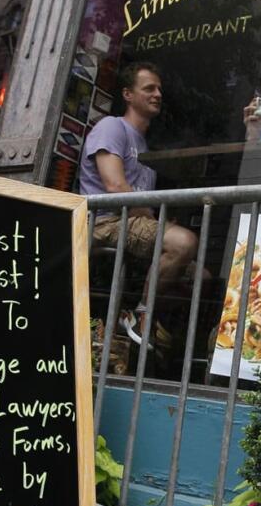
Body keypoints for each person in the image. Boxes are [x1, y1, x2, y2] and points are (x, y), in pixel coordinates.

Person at [80, 61, 196, 347]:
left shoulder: (143, 146)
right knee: (183, 243)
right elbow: (116, 187)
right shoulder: (111, 127)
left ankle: (143, 323)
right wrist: (159, 222)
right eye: (149, 88)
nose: (157, 94)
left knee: (202, 275)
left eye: (159, 89)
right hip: (105, 221)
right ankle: (140, 316)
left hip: (131, 222)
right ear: (128, 95)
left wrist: (158, 222)